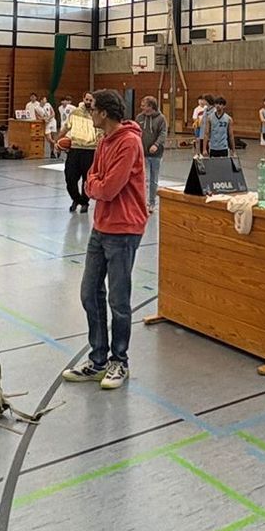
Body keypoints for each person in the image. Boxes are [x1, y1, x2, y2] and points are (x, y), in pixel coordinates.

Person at [64, 91, 146, 391]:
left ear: (104, 113)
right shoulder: (103, 141)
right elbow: (91, 179)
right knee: (90, 293)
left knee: (118, 300)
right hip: (101, 227)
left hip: (124, 229)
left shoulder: (129, 142)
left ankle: (119, 361)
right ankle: (98, 359)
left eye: (93, 109)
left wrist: (95, 185)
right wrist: (95, 184)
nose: (90, 114)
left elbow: (108, 188)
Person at [59, 94, 99, 213]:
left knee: (87, 179)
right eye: (87, 99)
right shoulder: (75, 112)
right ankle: (76, 199)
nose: (88, 102)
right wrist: (57, 141)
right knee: (70, 178)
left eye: (90, 100)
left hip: (90, 150)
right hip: (75, 149)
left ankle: (85, 202)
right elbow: (66, 128)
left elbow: (102, 132)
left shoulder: (97, 114)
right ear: (83, 99)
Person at [137, 95, 168, 211]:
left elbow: (163, 133)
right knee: (143, 179)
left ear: (151, 106)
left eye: (144, 106)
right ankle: (141, 202)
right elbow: (136, 131)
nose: (142, 108)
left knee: (153, 180)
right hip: (143, 153)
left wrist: (156, 144)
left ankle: (152, 202)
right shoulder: (140, 117)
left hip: (156, 155)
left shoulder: (161, 119)